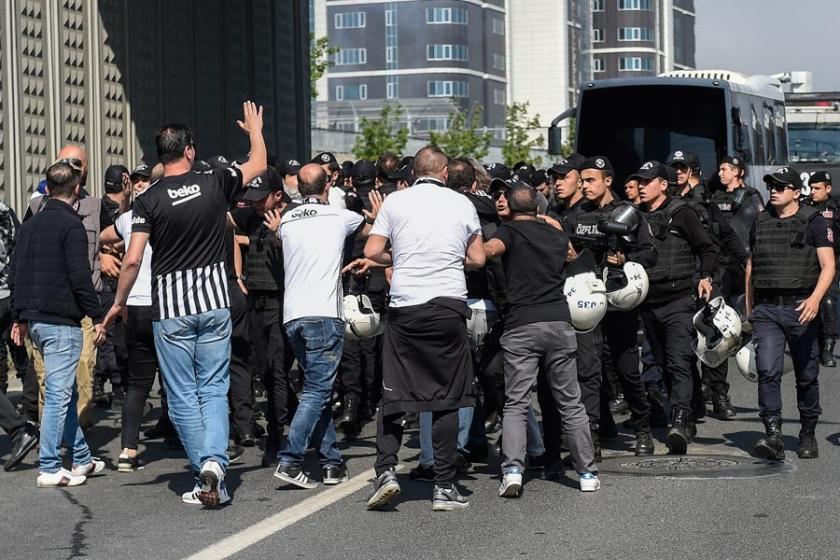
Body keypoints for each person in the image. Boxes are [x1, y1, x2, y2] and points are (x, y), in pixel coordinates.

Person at [100, 101, 267, 507]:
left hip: (171, 309)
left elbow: (135, 258)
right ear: (189, 150)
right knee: (213, 388)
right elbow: (258, 163)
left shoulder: (147, 199)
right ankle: (214, 466)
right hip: (215, 301)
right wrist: (254, 131)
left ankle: (206, 468)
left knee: (180, 396)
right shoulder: (216, 181)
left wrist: (119, 303)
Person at [350, 146, 485, 512]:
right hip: (446, 306)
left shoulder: (395, 201)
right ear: (444, 173)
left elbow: (374, 250)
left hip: (405, 306)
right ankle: (443, 486)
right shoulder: (461, 204)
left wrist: (404, 256)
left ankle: (386, 471)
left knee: (394, 392)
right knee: (448, 398)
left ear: (414, 173)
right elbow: (478, 258)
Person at [265, 163, 379, 489]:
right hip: (323, 315)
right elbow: (372, 233)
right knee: (317, 390)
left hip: (292, 317)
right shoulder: (338, 216)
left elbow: (285, 235)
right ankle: (291, 459)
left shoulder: (287, 219)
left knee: (319, 390)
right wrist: (378, 215)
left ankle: (332, 463)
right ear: (327, 186)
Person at [484, 184, 599, 498]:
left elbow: (486, 253)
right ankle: (587, 472)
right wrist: (551, 223)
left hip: (522, 325)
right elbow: (573, 256)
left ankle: (512, 471)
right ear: (537, 205)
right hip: (559, 323)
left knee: (517, 403)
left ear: (511, 205)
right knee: (571, 403)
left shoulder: (509, 232)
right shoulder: (556, 232)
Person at [10, 161, 105, 487]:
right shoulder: (72, 226)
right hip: (62, 321)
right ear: (77, 189)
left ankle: (80, 458)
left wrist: (20, 316)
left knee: (62, 392)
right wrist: (97, 314)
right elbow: (80, 277)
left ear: (47, 188)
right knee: (59, 395)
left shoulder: (31, 225)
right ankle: (50, 465)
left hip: (35, 319)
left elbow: (17, 271)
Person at [570, 156, 656, 457]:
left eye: (590, 180)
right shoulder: (577, 214)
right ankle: (593, 434)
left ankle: (643, 428)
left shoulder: (628, 213)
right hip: (586, 304)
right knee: (589, 372)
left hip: (619, 303)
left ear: (607, 181)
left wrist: (626, 260)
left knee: (627, 370)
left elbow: (649, 254)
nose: (584, 186)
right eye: (581, 181)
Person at [746, 166, 834, 461]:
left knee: (806, 375)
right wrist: (749, 308)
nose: (774, 190)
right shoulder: (759, 222)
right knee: (767, 371)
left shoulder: (814, 222)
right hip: (768, 309)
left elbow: (828, 266)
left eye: (781, 187)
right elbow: (751, 266)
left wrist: (815, 299)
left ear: (797, 193)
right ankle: (773, 435)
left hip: (801, 306)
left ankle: (807, 432)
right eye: (771, 185)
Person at [26, 145, 114, 429]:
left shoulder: (97, 206)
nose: (73, 167)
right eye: (65, 162)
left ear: (86, 167)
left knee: (83, 371)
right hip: (47, 304)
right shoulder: (38, 206)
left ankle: (75, 438)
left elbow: (120, 234)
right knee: (47, 376)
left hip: (85, 306)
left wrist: (106, 254)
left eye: (77, 162)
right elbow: (25, 252)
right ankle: (52, 437)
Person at [634, 161, 718, 454]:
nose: (641, 186)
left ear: (663, 184)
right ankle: (692, 408)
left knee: (678, 360)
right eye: (639, 181)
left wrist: (706, 277)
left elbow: (707, 248)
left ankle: (679, 420)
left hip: (678, 300)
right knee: (661, 363)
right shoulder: (635, 216)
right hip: (648, 303)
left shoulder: (682, 212)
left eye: (648, 181)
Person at [668, 150, 747, 419]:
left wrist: (747, 263)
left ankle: (719, 394)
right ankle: (691, 397)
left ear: (693, 170)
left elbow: (727, 235)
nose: (678, 172)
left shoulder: (704, 202)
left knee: (715, 337)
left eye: (683, 167)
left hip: (708, 277)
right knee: (682, 342)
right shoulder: (666, 202)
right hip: (677, 278)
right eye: (675, 167)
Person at [229, 168, 295, 466]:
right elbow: (219, 222)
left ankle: (277, 435)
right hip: (255, 302)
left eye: (261, 198)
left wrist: (284, 234)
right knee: (265, 371)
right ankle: (292, 416)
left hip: (282, 304)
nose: (255, 204)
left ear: (278, 195)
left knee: (278, 370)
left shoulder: (293, 217)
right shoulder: (252, 215)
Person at [99, 175, 157, 472]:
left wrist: (110, 250)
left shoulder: (128, 218)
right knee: (183, 381)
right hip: (165, 304)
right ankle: (199, 449)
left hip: (134, 306)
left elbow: (104, 236)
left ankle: (128, 450)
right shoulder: (171, 213)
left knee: (138, 383)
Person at [806, 171, 840, 367]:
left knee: (827, 301)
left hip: (832, 262)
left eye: (817, 188)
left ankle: (828, 347)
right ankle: (813, 345)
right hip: (809, 262)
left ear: (828, 188)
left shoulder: (837, 208)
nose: (813, 192)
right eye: (811, 188)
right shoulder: (805, 208)